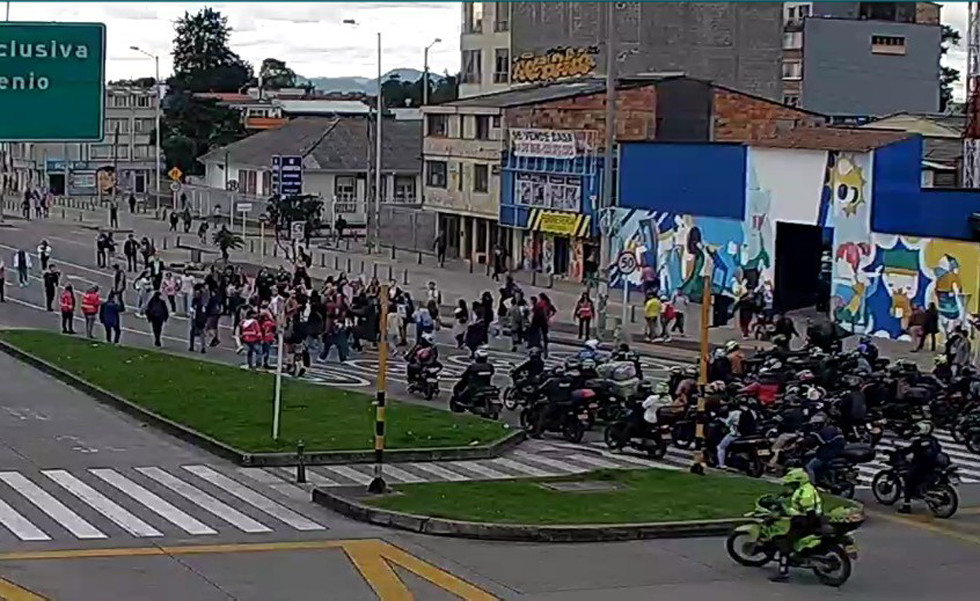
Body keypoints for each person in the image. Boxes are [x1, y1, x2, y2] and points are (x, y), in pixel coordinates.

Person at [770, 468, 823, 582]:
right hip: (806, 519)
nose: (791, 485)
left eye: (793, 483)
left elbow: (810, 513)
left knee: (784, 543)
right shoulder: (804, 488)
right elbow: (794, 495)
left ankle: (783, 572)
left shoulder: (806, 494)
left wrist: (807, 528)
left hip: (805, 521)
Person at [896, 421, 943, 514]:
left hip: (922, 465)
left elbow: (909, 450)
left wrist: (901, 452)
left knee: (909, 480)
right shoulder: (934, 439)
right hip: (934, 464)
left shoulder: (918, 442)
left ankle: (906, 505)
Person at [803, 413, 845, 486]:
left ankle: (812, 484)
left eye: (815, 424)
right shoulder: (833, 429)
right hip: (835, 452)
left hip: (828, 455)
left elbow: (816, 441)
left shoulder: (823, 432)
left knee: (809, 467)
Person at [189, 285, 208, 353]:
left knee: (200, 333)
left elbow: (203, 311)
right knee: (194, 332)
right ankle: (192, 346)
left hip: (199, 319)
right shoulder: (195, 301)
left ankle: (202, 347)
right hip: (196, 319)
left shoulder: (201, 302)